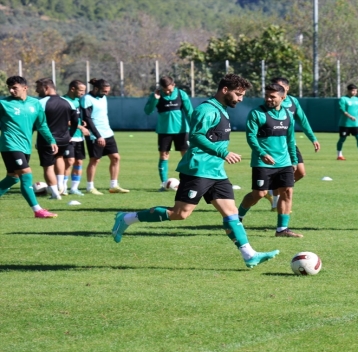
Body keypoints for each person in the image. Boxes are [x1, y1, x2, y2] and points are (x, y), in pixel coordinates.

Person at [111, 74, 279, 268]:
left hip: (216, 172)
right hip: (198, 170)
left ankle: (249, 255)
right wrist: (222, 152)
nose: (241, 99)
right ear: (225, 90)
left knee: (231, 212)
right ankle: (126, 218)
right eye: (238, 94)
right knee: (180, 214)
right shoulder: (206, 110)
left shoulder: (222, 110)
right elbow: (196, 136)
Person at [237, 83, 302, 238]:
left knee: (287, 192)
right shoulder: (257, 113)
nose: (268, 99)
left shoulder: (287, 114)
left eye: (272, 96)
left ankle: (282, 229)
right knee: (259, 194)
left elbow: (290, 140)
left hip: (284, 162)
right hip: (262, 162)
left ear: (283, 97)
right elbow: (251, 137)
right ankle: (237, 219)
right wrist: (261, 153)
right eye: (266, 96)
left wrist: (293, 160)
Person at [0, 76, 58, 218]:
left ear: (25, 87)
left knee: (13, 178)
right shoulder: (3, 104)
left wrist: (51, 140)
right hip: (10, 145)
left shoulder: (35, 104)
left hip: (25, 146)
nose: (12, 91)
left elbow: (42, 124)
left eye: (15, 88)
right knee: (26, 175)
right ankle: (38, 210)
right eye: (10, 88)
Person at [266, 77, 320, 210]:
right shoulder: (269, 103)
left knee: (300, 172)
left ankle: (274, 190)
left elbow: (303, 121)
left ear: (287, 88)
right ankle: (276, 201)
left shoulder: (293, 102)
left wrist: (313, 138)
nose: (276, 91)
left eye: (280, 87)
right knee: (283, 175)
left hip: (289, 144)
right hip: (274, 145)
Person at [144, 75, 193, 190]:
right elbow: (148, 111)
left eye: (169, 89)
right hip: (164, 131)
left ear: (174, 85)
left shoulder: (181, 94)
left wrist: (194, 128)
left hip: (182, 131)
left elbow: (190, 112)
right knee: (164, 155)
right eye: (165, 89)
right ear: (161, 87)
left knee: (186, 156)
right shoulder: (156, 95)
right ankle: (164, 184)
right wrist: (155, 99)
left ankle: (187, 182)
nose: (167, 91)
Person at [82, 78, 129, 194]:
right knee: (95, 160)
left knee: (116, 157)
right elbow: (87, 119)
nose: (107, 93)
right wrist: (98, 136)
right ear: (96, 89)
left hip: (108, 133)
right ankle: (90, 187)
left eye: (108, 91)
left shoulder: (103, 98)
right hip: (95, 135)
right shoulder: (86, 99)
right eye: (104, 91)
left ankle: (113, 186)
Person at [35, 78, 78, 199]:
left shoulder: (41, 103)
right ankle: (61, 186)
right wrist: (70, 135)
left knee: (48, 166)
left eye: (38, 87)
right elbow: (75, 121)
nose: (36, 90)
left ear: (46, 88)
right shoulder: (67, 102)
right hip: (64, 139)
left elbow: (36, 122)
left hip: (47, 140)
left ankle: (55, 194)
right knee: (59, 157)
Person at [61, 80, 88, 196]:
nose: (83, 93)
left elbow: (76, 117)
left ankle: (74, 188)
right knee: (69, 161)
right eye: (81, 90)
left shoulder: (78, 101)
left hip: (79, 137)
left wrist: (82, 122)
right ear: (73, 89)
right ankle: (63, 187)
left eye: (84, 91)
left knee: (78, 161)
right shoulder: (63, 101)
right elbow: (65, 121)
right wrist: (81, 127)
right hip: (68, 136)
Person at [336, 84, 358, 161]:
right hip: (345, 124)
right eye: (353, 90)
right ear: (348, 90)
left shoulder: (357, 100)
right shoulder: (343, 99)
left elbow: (357, 111)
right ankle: (339, 155)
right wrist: (350, 116)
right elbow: (342, 110)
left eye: (356, 90)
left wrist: (357, 118)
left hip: (356, 123)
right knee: (342, 139)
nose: (354, 92)